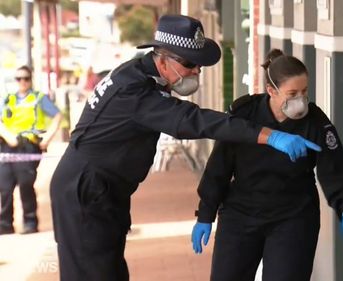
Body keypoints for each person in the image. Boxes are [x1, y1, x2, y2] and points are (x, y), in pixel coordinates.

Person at [49, 15, 320, 281]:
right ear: (163, 58)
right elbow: (193, 121)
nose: (196, 71)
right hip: (86, 189)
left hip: (102, 188)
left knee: (109, 270)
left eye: (199, 65)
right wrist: (269, 135)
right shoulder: (135, 92)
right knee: (93, 273)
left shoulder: (139, 74)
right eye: (190, 63)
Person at [191, 49, 343, 281]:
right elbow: (219, 168)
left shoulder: (315, 121)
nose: (300, 100)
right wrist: (205, 213)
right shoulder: (245, 115)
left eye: (304, 92)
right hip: (241, 215)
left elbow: (335, 168)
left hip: (293, 217)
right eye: (292, 93)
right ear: (271, 91)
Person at [0, 65, 62, 235]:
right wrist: (7, 135)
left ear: (30, 79)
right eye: (19, 78)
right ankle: (5, 224)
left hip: (27, 147)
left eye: (26, 78)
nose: (22, 82)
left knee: (25, 185)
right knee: (4, 186)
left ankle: (30, 222)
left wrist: (47, 138)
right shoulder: (8, 99)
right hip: (7, 147)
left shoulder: (38, 98)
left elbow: (57, 116)